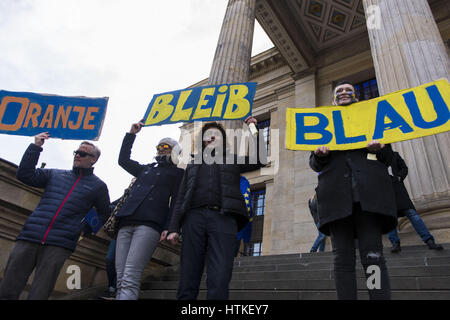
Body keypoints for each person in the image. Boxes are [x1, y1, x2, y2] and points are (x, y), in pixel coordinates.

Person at [309, 81, 397, 300]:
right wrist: (320, 154)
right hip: (336, 202)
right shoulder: (323, 128)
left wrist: (381, 147)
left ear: (356, 97)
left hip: (368, 200)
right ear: (333, 100)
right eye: (340, 91)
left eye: (349, 90)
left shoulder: (372, 125)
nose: (345, 93)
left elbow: (389, 160)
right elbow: (314, 164)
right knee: (342, 261)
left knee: (373, 257)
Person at [0, 132, 110, 300]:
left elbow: (104, 213)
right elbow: (24, 175)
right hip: (30, 235)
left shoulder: (99, 187)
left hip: (59, 244)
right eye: (76, 152)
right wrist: (36, 147)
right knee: (9, 286)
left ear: (93, 159)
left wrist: (84, 229)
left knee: (40, 292)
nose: (77, 156)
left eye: (82, 154)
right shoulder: (55, 174)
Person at [167, 117, 266, 300]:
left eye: (216, 134)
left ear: (222, 139)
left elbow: (260, 159)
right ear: (203, 140)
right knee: (188, 275)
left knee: (220, 276)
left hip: (224, 219)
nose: (212, 137)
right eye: (208, 135)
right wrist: (173, 227)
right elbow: (181, 196)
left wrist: (253, 127)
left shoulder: (233, 159)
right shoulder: (193, 163)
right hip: (193, 220)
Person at [114, 121, 184, 300]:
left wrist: (170, 227)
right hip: (126, 221)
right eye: (159, 146)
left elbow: (177, 202)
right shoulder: (146, 168)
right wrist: (131, 135)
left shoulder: (177, 174)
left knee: (130, 275)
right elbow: (123, 160)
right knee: (121, 276)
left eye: (166, 146)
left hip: (150, 225)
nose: (161, 149)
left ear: (174, 150)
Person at [388, 151, 443, 253]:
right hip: (384, 191)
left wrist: (399, 177)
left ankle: (429, 240)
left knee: (412, 214)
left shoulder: (394, 154)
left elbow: (404, 168)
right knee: (390, 217)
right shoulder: (372, 156)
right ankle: (395, 243)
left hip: (398, 189)